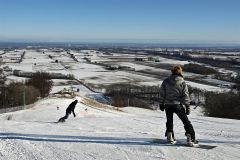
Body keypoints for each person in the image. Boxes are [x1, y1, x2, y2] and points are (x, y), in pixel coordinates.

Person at [159, 66, 198, 146]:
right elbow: (185, 95)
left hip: (168, 105)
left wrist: (161, 104)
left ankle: (170, 136)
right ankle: (190, 137)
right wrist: (187, 106)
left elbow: (162, 93)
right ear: (180, 72)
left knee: (169, 121)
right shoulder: (182, 82)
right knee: (186, 122)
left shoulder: (166, 81)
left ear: (172, 72)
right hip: (177, 105)